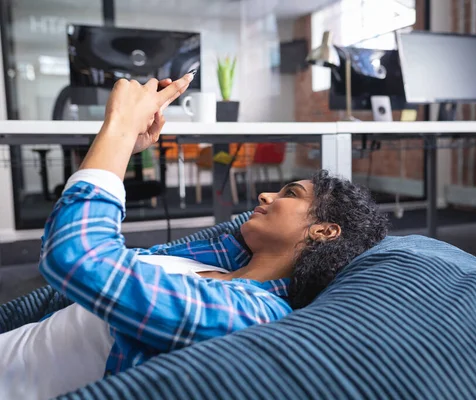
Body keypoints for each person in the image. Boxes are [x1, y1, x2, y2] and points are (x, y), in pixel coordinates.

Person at [0, 73, 388, 399]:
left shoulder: (251, 313)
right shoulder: (216, 261)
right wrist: (127, 144)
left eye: (290, 194)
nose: (266, 194)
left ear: (323, 230)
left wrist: (117, 126)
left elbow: (79, 257)